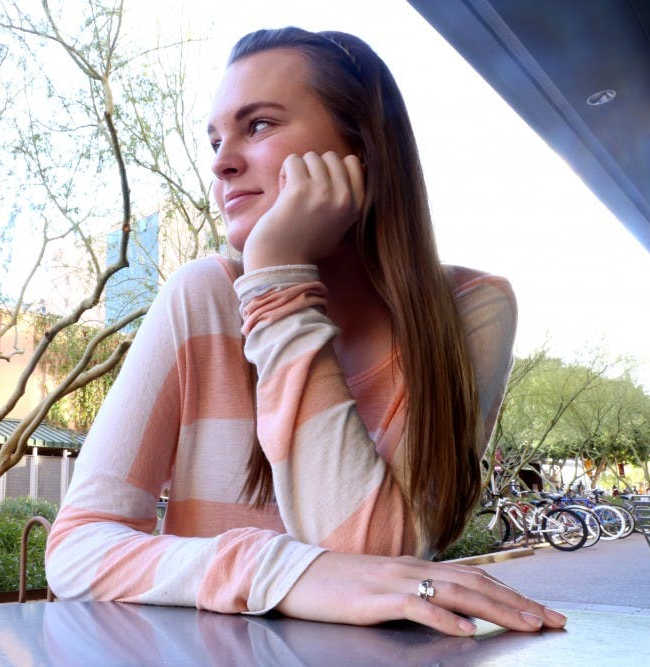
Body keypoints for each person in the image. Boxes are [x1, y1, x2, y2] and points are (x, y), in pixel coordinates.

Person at [45, 27, 567, 636]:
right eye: (215, 139)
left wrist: (278, 285)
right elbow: (76, 547)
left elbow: (372, 548)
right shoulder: (202, 297)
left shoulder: (470, 311)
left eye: (259, 125)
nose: (221, 161)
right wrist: (284, 569)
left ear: (363, 149)